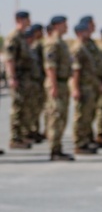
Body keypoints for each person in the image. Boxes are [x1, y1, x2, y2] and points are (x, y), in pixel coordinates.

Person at [43, 16, 74, 161]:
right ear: (56, 26)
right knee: (55, 117)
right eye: (64, 25)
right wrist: (54, 86)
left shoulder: (62, 43)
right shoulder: (53, 43)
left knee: (62, 117)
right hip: (56, 84)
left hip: (62, 83)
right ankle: (54, 151)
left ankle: (58, 148)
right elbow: (50, 66)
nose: (66, 27)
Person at [69, 21, 100, 155]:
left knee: (87, 115)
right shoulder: (77, 48)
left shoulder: (85, 47)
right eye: (86, 31)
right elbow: (76, 70)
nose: (89, 33)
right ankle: (79, 143)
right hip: (82, 86)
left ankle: (85, 141)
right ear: (80, 32)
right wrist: (75, 88)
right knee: (80, 115)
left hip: (88, 86)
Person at [5, 11, 34, 149]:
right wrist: (12, 77)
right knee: (17, 108)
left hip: (25, 78)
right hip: (18, 77)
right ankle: (15, 139)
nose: (30, 21)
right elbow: (9, 59)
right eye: (27, 19)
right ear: (19, 20)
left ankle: (21, 136)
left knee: (25, 108)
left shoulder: (22, 37)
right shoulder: (14, 37)